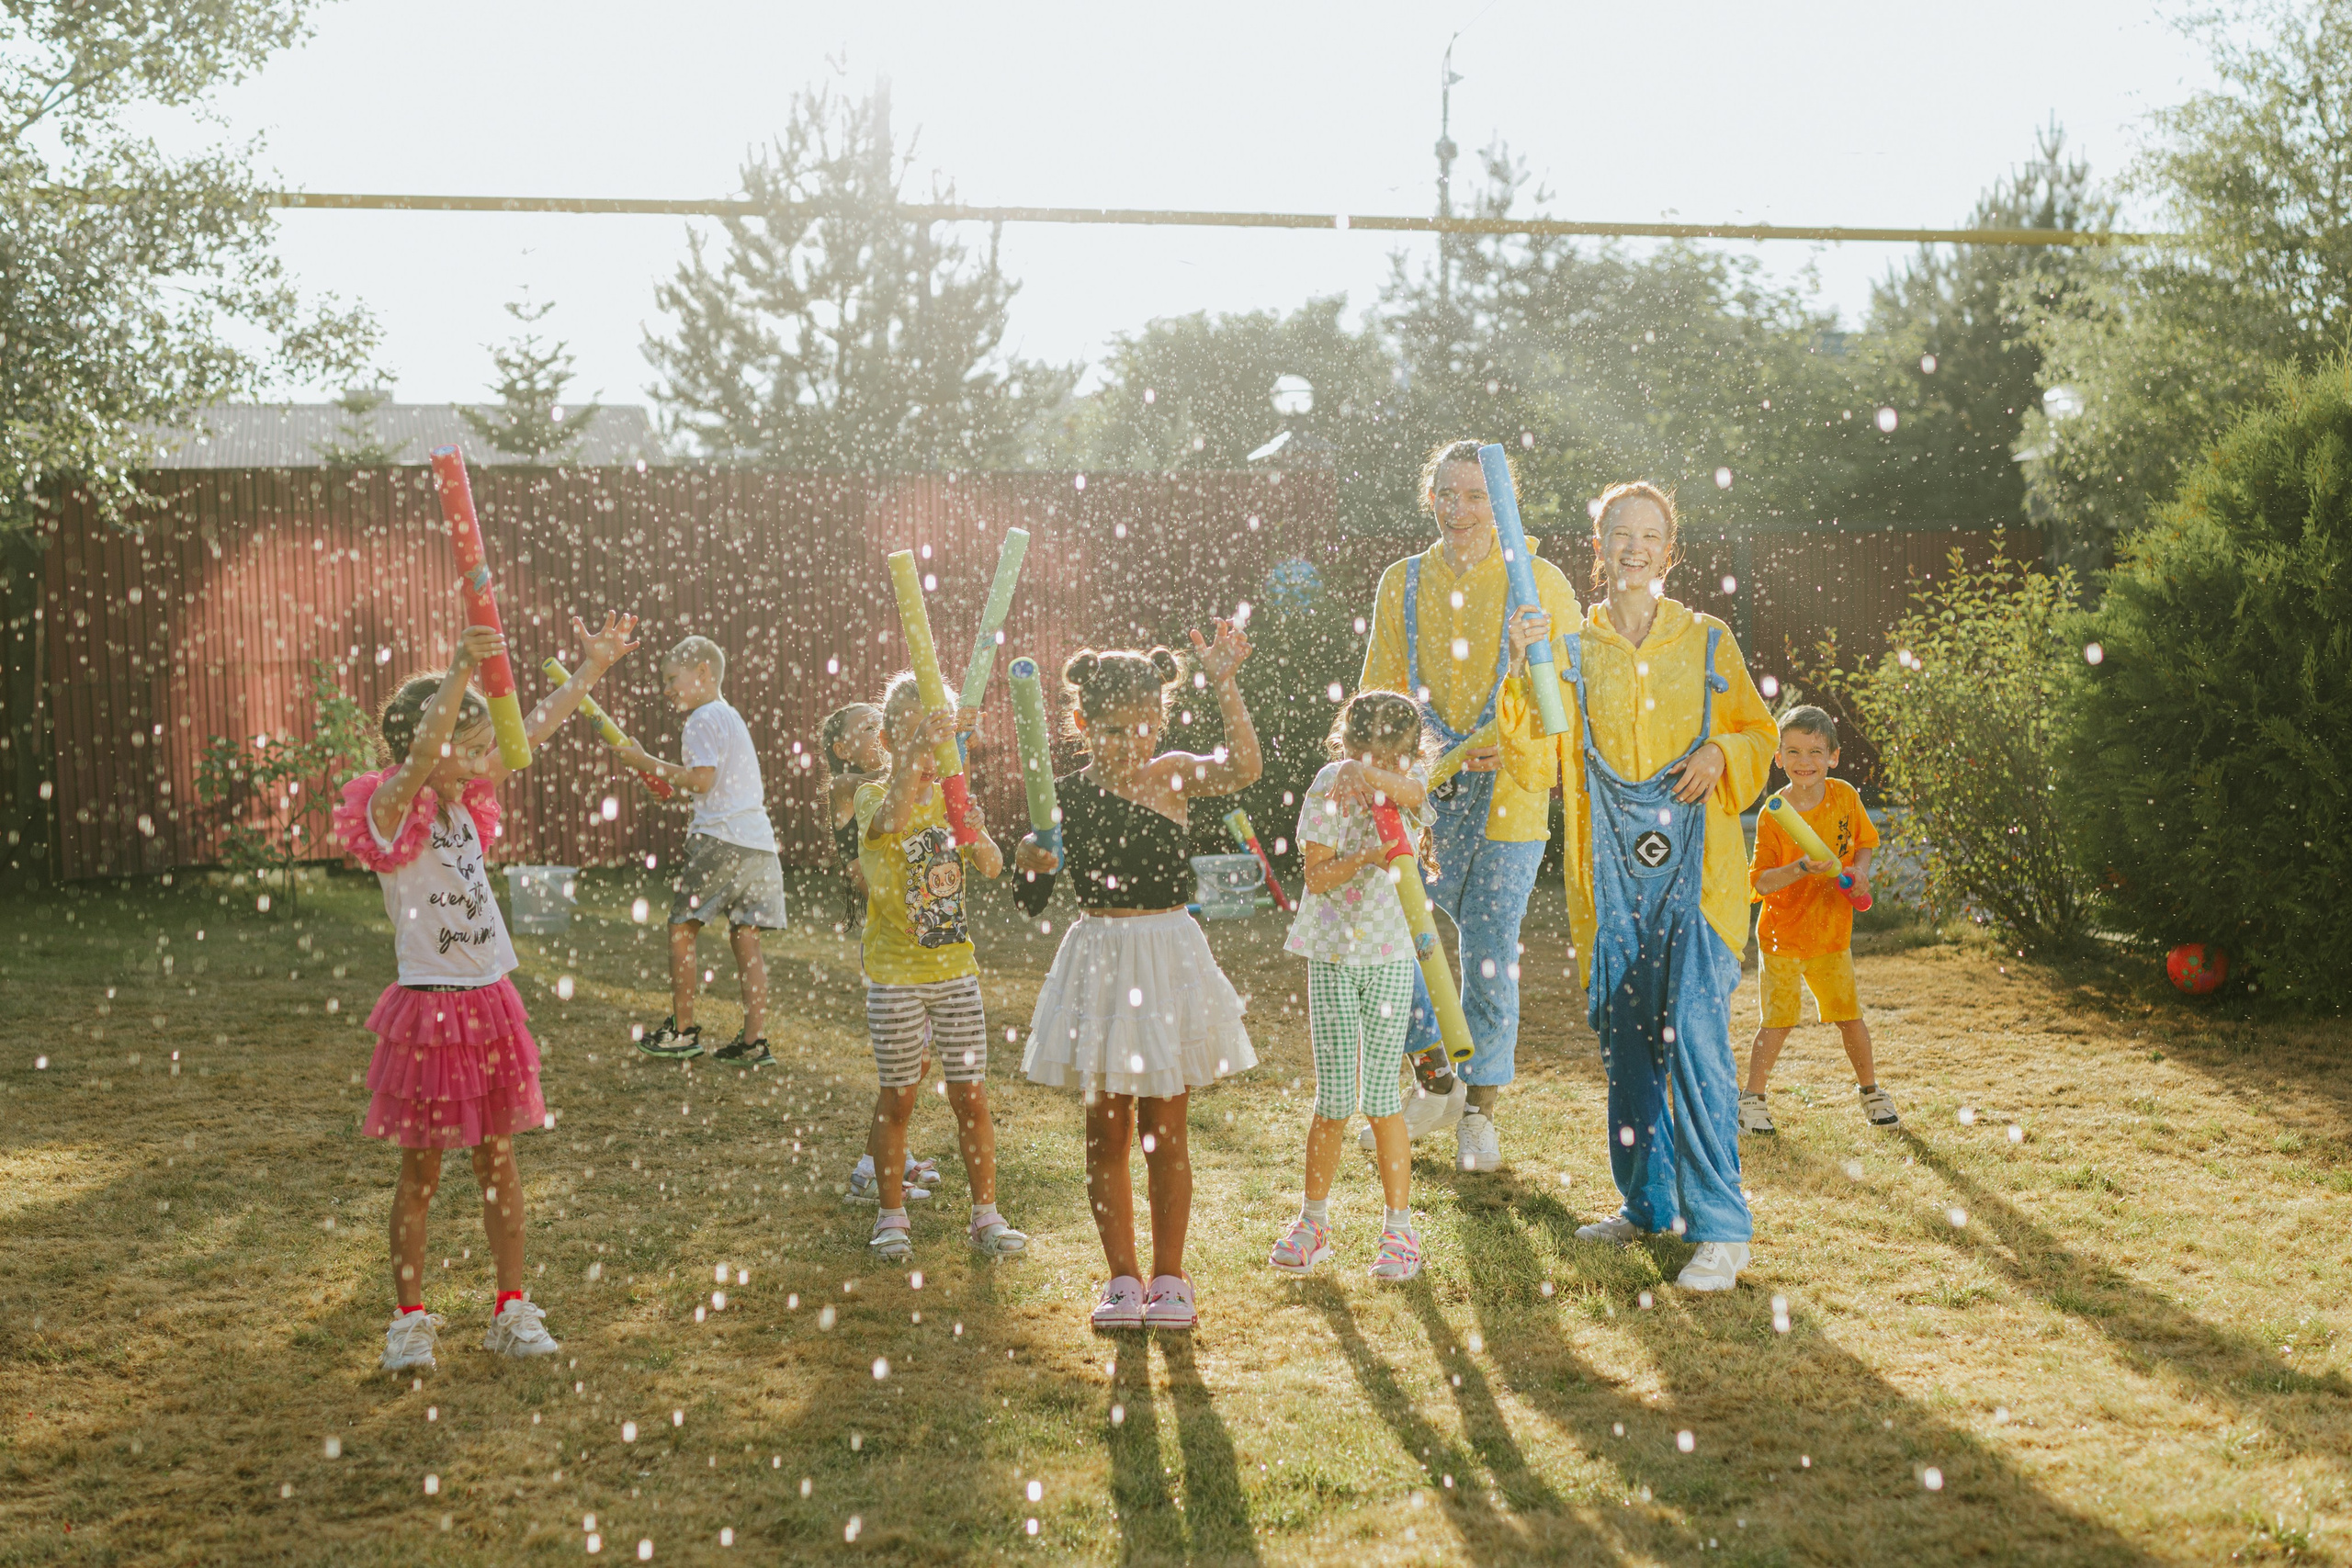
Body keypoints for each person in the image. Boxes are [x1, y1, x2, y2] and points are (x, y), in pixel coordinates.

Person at [332, 605, 639, 1373]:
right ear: (421, 747)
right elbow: (431, 748)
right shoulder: (392, 806)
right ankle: (409, 1321)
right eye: (462, 748)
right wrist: (463, 668)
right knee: (422, 1171)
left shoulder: (467, 801)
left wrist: (593, 668)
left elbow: (526, 732)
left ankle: (511, 1307)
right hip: (429, 1006)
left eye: (476, 749)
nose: (477, 760)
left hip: (488, 1001)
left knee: (498, 1160)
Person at [1557, 482, 1778, 1292]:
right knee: (1628, 1047)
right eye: (1621, 532)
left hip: (1704, 881)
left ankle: (1721, 1228)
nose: (1636, 546)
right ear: (1600, 546)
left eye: (1651, 534)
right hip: (1611, 886)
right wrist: (1521, 667)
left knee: (1693, 1037)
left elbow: (1760, 734)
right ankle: (1648, 1204)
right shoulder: (1573, 655)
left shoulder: (1709, 642)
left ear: (1671, 551)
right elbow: (1526, 747)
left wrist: (1723, 753)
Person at [1015, 629, 1261, 1332]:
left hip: (1165, 955)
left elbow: (1244, 766)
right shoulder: (1061, 796)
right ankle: (1121, 1276)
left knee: (1167, 1127)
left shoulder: (1172, 773)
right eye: (1116, 730)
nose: (1133, 743)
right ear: (1083, 723)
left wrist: (1224, 682)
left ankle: (1169, 1277)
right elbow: (1033, 895)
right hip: (1099, 955)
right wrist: (1033, 858)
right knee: (1106, 1129)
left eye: (1146, 726)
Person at [1359, 439, 1582, 1172]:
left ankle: (1479, 1115)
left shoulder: (1541, 582)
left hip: (1511, 794)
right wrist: (1412, 766)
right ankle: (1435, 1077)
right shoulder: (1402, 582)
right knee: (1397, 940)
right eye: (1446, 495)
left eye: (1477, 496)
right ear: (1430, 499)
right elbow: (1379, 699)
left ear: (1504, 502)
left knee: (1488, 956)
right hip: (1422, 793)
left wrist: (1512, 741)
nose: (1459, 511)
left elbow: (1567, 701)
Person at [850, 673, 1027, 1263]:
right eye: (916, 739)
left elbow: (995, 867)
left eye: (939, 740)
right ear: (889, 739)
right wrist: (914, 759)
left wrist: (974, 831)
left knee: (970, 1096)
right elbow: (894, 821)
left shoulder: (952, 799)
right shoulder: (873, 796)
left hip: (955, 973)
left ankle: (986, 1216)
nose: (930, 754)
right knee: (898, 1097)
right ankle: (892, 1215)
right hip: (896, 976)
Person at [1268, 691, 1435, 1282]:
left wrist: (1367, 771)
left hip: (1390, 957)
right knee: (1335, 1100)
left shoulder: (1408, 788)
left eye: (1391, 759)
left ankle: (1399, 1232)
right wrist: (1365, 853)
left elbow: (1415, 795)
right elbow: (1315, 878)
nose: (1378, 771)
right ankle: (1314, 1224)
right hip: (1334, 956)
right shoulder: (1328, 788)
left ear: (1409, 757)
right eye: (1366, 754)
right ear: (1348, 745)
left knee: (1383, 1100)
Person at [617, 636, 786, 1067]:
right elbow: (716, 786)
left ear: (704, 674)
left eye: (673, 679)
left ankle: (683, 1031)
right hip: (759, 845)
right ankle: (754, 1042)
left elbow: (701, 781)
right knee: (746, 938)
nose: (667, 689)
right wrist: (673, 788)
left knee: (682, 928)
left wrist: (645, 762)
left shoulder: (699, 719)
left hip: (718, 842)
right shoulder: (730, 717)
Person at [1740, 705, 1896, 1134]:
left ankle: (1871, 1091)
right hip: (1782, 937)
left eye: (1815, 751)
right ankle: (1752, 1100)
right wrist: (1800, 869)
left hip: (1831, 933)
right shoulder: (1774, 814)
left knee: (1850, 1016)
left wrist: (1860, 872)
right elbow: (1761, 883)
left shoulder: (1845, 796)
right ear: (1778, 758)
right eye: (1792, 752)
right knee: (1778, 1022)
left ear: (1834, 756)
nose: (1804, 761)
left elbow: (1864, 842)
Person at [822, 702, 886, 930]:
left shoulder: (907, 781)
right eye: (870, 728)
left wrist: (961, 748)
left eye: (885, 722)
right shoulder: (842, 786)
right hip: (888, 925)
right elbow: (889, 776)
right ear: (842, 751)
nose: (883, 730)